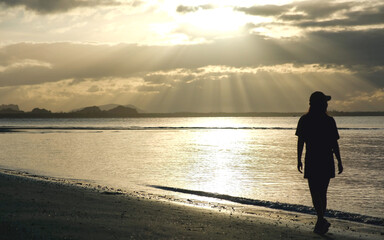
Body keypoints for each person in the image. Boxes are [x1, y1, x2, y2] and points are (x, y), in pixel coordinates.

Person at [296, 91, 343, 235]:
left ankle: (321, 220)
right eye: (325, 102)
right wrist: (339, 161)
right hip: (325, 159)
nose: (327, 104)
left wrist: (298, 158)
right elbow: (334, 143)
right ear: (321, 104)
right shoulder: (329, 121)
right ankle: (321, 220)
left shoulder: (305, 119)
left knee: (316, 192)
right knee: (322, 192)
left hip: (312, 159)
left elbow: (301, 141)